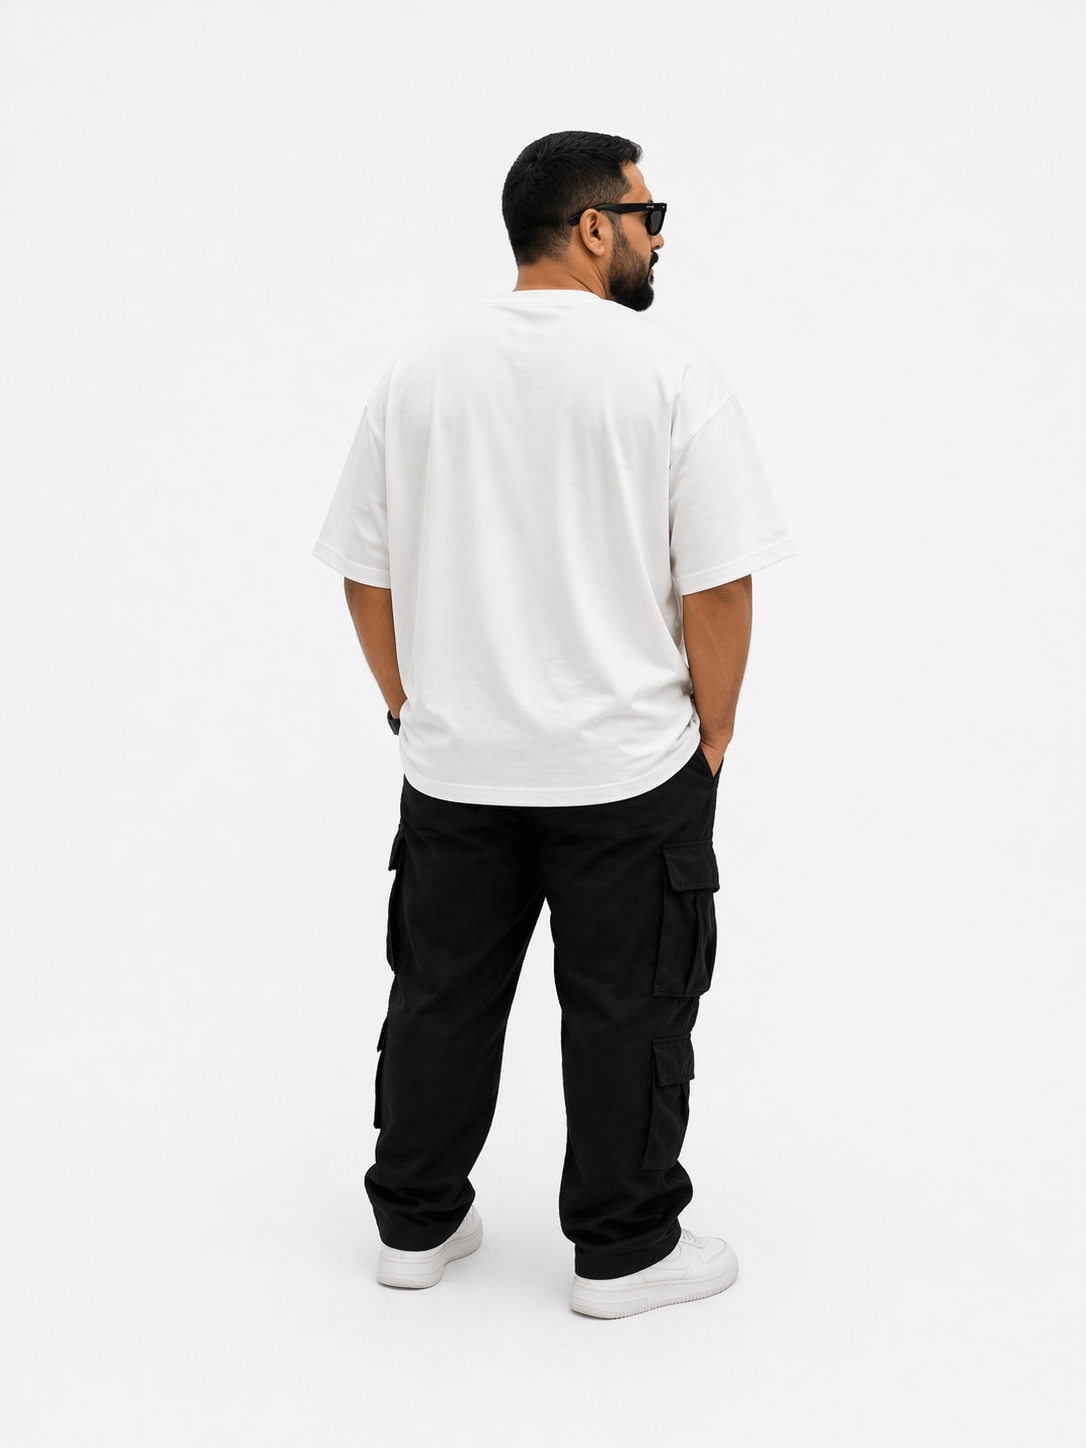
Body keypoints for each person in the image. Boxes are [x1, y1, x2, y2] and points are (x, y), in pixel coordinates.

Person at [312, 130, 794, 1318]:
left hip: (458, 765)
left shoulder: (419, 373)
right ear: (592, 227)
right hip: (626, 767)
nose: (659, 236)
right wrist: (715, 731)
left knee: (439, 995)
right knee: (629, 1005)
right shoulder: (669, 374)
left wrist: (408, 704)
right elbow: (719, 585)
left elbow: (364, 571)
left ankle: (415, 1224)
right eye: (647, 214)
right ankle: (624, 1249)